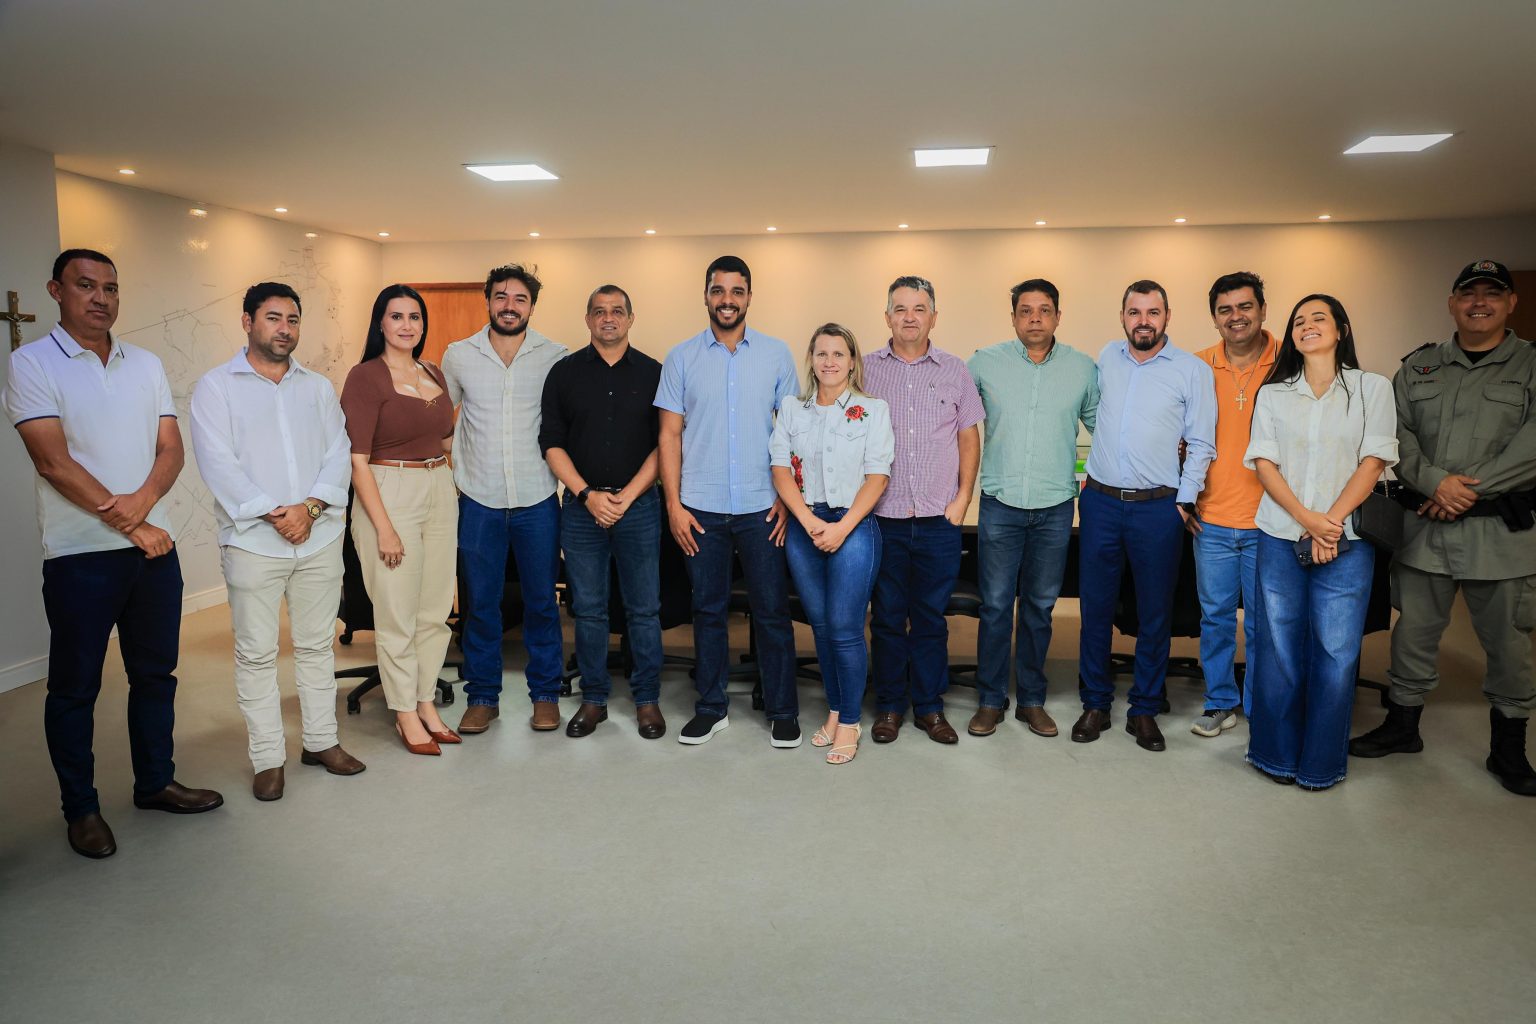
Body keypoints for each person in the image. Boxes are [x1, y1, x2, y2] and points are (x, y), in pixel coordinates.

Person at [4, 249, 222, 859]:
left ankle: (155, 783)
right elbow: (52, 461)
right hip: (80, 557)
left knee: (155, 676)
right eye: (86, 285)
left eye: (111, 287)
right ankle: (81, 810)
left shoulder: (145, 363)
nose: (101, 297)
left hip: (155, 551)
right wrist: (132, 525)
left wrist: (143, 511)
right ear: (56, 290)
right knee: (75, 688)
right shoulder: (31, 362)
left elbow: (170, 449)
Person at [1350, 261, 1536, 796]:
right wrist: (1436, 482)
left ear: (1510, 303)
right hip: (1425, 530)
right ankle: (1403, 726)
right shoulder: (1419, 367)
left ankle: (1509, 748)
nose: (1480, 302)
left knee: (1509, 645)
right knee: (1413, 634)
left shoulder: (1529, 364)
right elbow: (1395, 433)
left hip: (1500, 534)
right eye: (1468, 293)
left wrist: (1467, 491)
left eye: (1492, 294)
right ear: (1452, 303)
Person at [189, 282, 365, 801]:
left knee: (316, 646)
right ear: (248, 321)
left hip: (319, 537)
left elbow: (339, 452)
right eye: (273, 318)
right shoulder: (216, 387)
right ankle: (268, 758)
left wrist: (308, 510)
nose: (284, 329)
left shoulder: (317, 387)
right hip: (252, 543)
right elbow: (218, 463)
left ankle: (321, 742)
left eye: (292, 319)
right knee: (256, 655)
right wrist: (276, 513)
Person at [1244, 294, 1396, 789]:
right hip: (1280, 534)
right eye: (1298, 321)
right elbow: (1264, 463)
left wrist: (1329, 522)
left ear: (1341, 329)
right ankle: (1274, 755)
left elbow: (1374, 461)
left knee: (1336, 653)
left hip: (1346, 540)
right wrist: (1307, 520)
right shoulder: (1274, 394)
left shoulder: (1372, 388)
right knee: (1278, 649)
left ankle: (1321, 764)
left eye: (1318, 318)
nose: (1307, 326)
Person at [655, 255, 802, 747]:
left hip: (763, 508)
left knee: (772, 612)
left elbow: (793, 434)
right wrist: (674, 506)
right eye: (718, 290)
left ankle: (783, 711)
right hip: (700, 508)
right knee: (708, 611)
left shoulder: (776, 354)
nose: (727, 300)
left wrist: (788, 499)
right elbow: (669, 435)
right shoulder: (681, 357)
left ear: (749, 297)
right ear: (706, 296)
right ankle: (711, 707)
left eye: (737, 291)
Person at [1075, 280, 1216, 752]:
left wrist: (1185, 499)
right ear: (1123, 316)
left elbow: (1202, 442)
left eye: (1152, 312)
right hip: (1100, 502)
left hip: (1158, 507)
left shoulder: (1191, 370)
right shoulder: (1107, 358)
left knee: (1155, 612)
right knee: (1094, 609)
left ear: (1167, 317)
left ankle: (1144, 709)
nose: (1143, 321)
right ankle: (1095, 702)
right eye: (1134, 312)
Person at [968, 279, 1098, 738]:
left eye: (1045, 310)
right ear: (1013, 318)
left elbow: (1104, 430)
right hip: (1000, 503)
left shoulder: (1083, 369)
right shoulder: (984, 364)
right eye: (1026, 311)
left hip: (1055, 505)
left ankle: (1032, 700)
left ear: (1058, 316)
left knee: (1040, 608)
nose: (1035, 318)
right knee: (995, 607)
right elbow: (953, 422)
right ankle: (990, 700)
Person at [442, 264, 568, 734]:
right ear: (488, 300)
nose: (509, 306)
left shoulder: (555, 356)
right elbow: (439, 421)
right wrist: (454, 466)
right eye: (501, 297)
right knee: (481, 605)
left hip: (538, 499)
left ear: (531, 306)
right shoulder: (459, 355)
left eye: (519, 298)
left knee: (541, 603)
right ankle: (482, 697)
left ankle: (545, 695)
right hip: (478, 500)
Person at [539, 285, 666, 739]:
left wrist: (627, 496)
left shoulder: (654, 373)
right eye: (599, 311)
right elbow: (551, 443)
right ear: (588, 319)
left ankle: (647, 699)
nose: (607, 318)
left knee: (644, 610)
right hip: (582, 511)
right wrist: (587, 495)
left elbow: (666, 444)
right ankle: (593, 700)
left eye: (616, 311)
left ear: (630, 318)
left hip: (639, 507)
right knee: (589, 611)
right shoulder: (564, 373)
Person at [862, 275, 984, 744]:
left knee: (931, 620)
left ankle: (930, 708)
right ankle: (890, 706)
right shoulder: (865, 370)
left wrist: (962, 499)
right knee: (888, 618)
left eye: (919, 309)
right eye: (900, 308)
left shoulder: (955, 370)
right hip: (883, 518)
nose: (909, 317)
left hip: (938, 520)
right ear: (887, 316)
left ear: (934, 316)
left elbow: (968, 436)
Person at [340, 285, 458, 755]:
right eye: (397, 316)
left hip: (438, 487)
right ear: (380, 323)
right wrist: (384, 528)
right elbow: (357, 461)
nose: (407, 325)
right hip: (389, 489)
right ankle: (405, 711)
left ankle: (426, 701)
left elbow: (445, 440)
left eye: (415, 316)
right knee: (398, 613)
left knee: (435, 611)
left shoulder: (433, 372)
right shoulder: (365, 377)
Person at [770, 323, 894, 763]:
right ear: (811, 359)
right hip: (805, 525)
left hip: (853, 525)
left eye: (838, 354)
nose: (829, 362)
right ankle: (837, 709)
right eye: (821, 353)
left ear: (852, 361)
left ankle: (851, 722)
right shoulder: (792, 409)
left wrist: (841, 528)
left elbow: (878, 476)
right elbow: (780, 468)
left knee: (844, 627)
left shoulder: (872, 410)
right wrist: (806, 521)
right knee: (821, 627)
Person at [1189, 272, 1278, 737]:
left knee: (1266, 623)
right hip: (1212, 522)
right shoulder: (1196, 366)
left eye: (1245, 306)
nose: (1236, 316)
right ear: (1214, 317)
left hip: (1272, 522)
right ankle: (1219, 701)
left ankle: (1263, 707)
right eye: (1225, 309)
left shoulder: (1290, 361)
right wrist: (1185, 498)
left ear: (1262, 309)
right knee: (1216, 620)